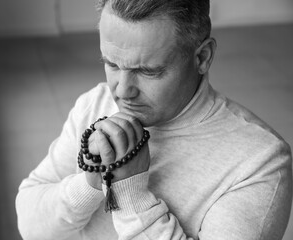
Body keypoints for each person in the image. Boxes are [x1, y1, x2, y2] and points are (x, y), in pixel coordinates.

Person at [15, 0, 293, 239]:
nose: (122, 91)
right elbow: (31, 226)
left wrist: (132, 196)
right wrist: (89, 182)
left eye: (148, 71)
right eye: (111, 64)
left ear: (202, 57)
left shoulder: (260, 162)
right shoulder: (95, 103)